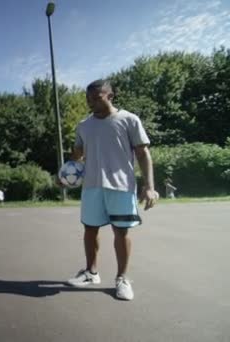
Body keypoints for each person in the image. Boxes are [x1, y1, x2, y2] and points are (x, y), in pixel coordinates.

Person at [64, 79, 159, 301]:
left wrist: (150, 187)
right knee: (90, 229)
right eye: (88, 99)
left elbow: (143, 154)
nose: (91, 103)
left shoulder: (128, 119)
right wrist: (65, 176)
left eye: (96, 98)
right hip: (92, 186)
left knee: (121, 232)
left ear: (110, 96)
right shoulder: (83, 125)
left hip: (121, 185)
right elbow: (76, 156)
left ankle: (122, 279)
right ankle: (91, 273)